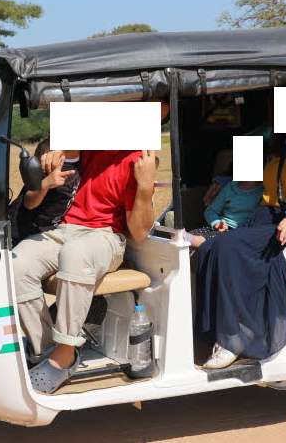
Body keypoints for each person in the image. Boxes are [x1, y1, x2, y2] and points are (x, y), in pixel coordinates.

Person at [12, 101, 169, 393]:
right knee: (17, 263)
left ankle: (64, 354)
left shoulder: (138, 160)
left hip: (106, 236)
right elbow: (57, 140)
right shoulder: (90, 142)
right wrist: (51, 146)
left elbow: (138, 231)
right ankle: (46, 351)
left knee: (76, 254)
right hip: (64, 230)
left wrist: (146, 187)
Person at [195, 132, 286, 369]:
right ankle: (225, 329)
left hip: (283, 220)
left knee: (225, 246)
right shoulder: (276, 146)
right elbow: (252, 176)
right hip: (259, 216)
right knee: (210, 247)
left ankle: (232, 339)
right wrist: (222, 180)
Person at [8, 139, 81, 244]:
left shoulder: (79, 158)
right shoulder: (49, 164)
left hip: (44, 232)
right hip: (20, 232)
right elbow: (29, 202)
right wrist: (47, 183)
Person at [185, 179, 263, 248]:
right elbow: (211, 210)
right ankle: (184, 238)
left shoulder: (263, 192)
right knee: (195, 233)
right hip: (220, 226)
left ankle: (190, 240)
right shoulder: (230, 188)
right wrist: (216, 223)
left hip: (239, 232)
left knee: (218, 240)